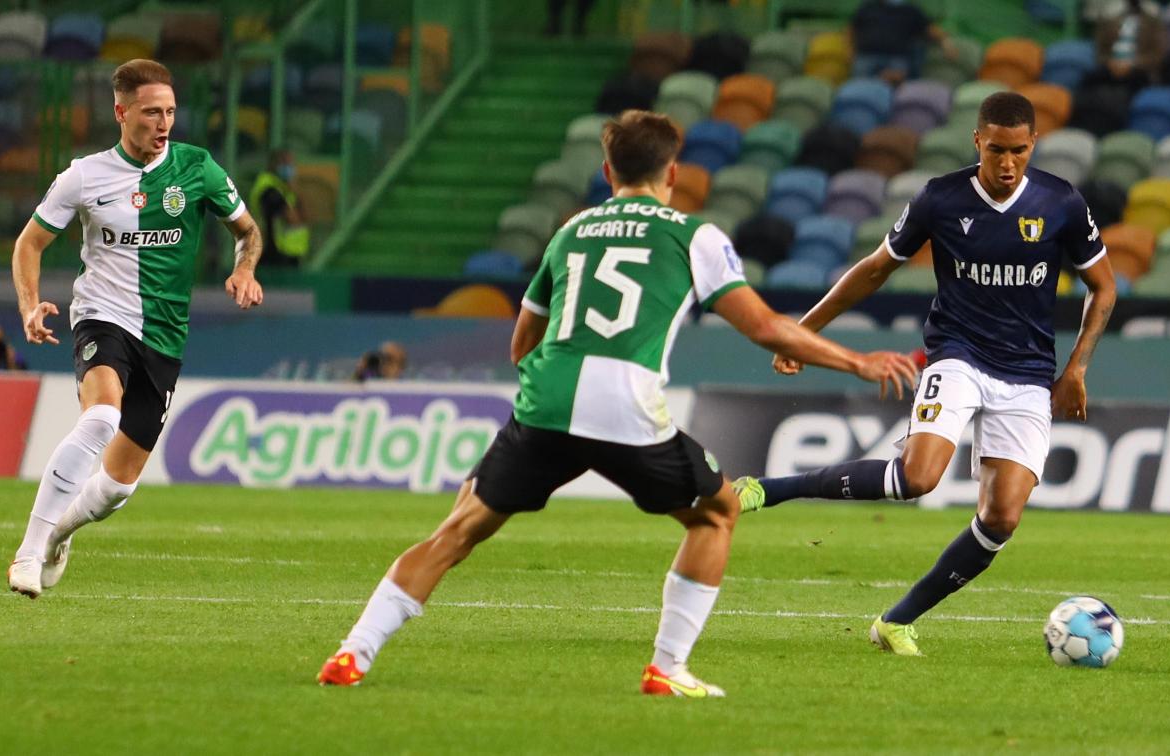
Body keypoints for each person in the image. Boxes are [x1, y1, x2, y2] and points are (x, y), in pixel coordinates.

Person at [316, 110, 918, 694]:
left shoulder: (569, 231)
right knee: (716, 513)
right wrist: (856, 360)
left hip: (547, 400)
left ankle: (352, 652)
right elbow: (762, 326)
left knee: (457, 531)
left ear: (607, 172)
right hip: (626, 403)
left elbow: (522, 344)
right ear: (674, 173)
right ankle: (668, 668)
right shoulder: (693, 235)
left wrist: (550, 402)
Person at [735, 92, 1117, 656]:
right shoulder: (941, 199)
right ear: (976, 142)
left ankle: (896, 621)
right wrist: (805, 331)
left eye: (1018, 151)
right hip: (958, 354)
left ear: (1033, 144)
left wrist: (1077, 368)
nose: (1007, 164)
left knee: (1001, 519)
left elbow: (1103, 286)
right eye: (995, 151)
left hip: (1030, 373)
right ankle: (767, 489)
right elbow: (873, 271)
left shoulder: (1060, 201)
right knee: (918, 478)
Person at [7, 58, 265, 599]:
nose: (164, 123)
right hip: (102, 316)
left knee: (115, 491)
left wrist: (245, 267)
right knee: (101, 415)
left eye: (170, 111)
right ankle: (28, 552)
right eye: (152, 112)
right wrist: (30, 305)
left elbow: (248, 231)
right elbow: (30, 242)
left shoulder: (199, 170)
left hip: (165, 336)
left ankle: (59, 534)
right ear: (122, 113)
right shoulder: (83, 176)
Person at [849, 0, 957, 84]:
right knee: (860, 88)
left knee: (896, 86)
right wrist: (851, 52)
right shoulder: (868, 8)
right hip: (867, 57)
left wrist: (945, 41)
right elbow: (851, 31)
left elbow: (930, 29)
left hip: (896, 59)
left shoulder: (910, 10)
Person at [1080, 0, 1164, 96]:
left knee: (1137, 83)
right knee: (1089, 80)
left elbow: (1157, 55)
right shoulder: (1109, 19)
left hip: (1140, 70)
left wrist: (1132, 64)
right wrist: (1111, 64)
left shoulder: (1153, 21)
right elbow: (1100, 52)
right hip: (1111, 67)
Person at [250, 148, 309, 267]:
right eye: (285, 164)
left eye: (291, 164)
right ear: (274, 165)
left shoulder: (283, 187)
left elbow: (308, 216)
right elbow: (294, 218)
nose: (290, 168)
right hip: (274, 256)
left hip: (288, 254)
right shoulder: (269, 189)